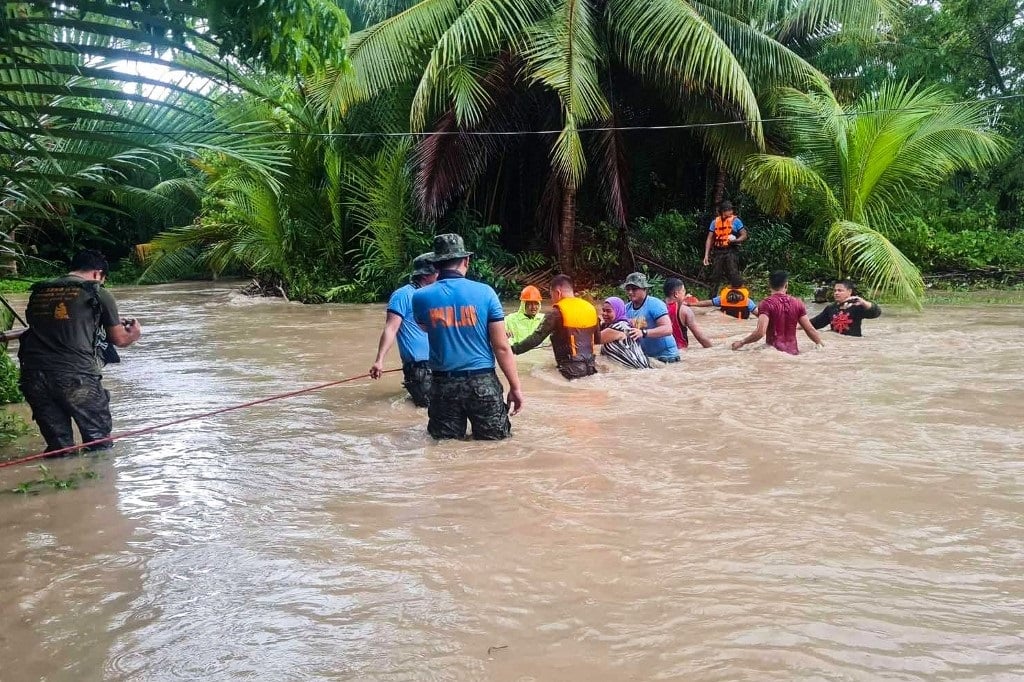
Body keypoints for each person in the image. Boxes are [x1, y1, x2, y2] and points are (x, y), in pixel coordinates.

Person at [17, 249, 142, 455]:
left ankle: (62, 481)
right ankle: (98, 484)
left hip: (33, 376)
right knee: (99, 445)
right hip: (76, 376)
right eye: (103, 279)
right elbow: (119, 339)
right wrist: (135, 333)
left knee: (59, 449)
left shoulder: (40, 291)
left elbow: (57, 324)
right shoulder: (97, 291)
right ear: (97, 274)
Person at [412, 233, 523, 440]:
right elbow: (501, 347)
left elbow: (426, 328)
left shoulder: (419, 297)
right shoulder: (486, 293)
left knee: (445, 448)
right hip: (483, 383)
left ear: (436, 265)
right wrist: (515, 387)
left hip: (443, 385)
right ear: (466, 260)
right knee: (495, 446)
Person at [369, 252, 438, 407]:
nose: (441, 275)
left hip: (438, 364)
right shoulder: (403, 295)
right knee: (428, 409)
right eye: (437, 272)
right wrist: (379, 361)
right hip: (419, 368)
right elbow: (391, 329)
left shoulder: (435, 295)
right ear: (426, 276)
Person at [511, 275, 599, 380]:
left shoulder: (556, 313)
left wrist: (512, 349)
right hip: (591, 368)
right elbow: (598, 339)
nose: (552, 300)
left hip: (569, 371)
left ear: (558, 292)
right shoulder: (591, 309)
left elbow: (535, 339)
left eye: (551, 295)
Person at [732, 270, 823, 355]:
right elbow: (810, 329)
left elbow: (760, 332)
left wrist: (742, 342)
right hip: (794, 353)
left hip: (773, 353)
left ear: (769, 285)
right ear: (786, 285)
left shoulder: (766, 304)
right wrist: (821, 344)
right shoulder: (798, 303)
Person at [621, 272, 679, 363]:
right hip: (648, 358)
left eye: (634, 289)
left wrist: (643, 333)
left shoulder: (655, 304)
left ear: (645, 289)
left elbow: (668, 329)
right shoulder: (626, 309)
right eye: (628, 289)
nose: (630, 292)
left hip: (667, 356)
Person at [702, 201, 748, 293]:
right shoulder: (715, 222)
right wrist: (706, 255)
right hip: (718, 251)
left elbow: (744, 235)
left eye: (731, 209)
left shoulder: (736, 221)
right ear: (723, 211)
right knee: (715, 274)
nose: (731, 212)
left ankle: (738, 295)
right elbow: (709, 239)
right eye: (729, 210)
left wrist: (736, 240)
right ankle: (712, 297)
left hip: (731, 249)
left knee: (733, 272)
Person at [810, 279, 881, 336]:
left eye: (840, 290)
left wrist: (864, 302)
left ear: (849, 291)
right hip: (836, 344)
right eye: (835, 290)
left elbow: (876, 313)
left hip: (853, 343)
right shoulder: (831, 308)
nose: (836, 293)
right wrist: (800, 325)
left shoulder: (857, 306)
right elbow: (815, 323)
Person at [598, 297, 650, 369]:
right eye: (603, 310)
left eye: (608, 311)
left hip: (634, 371)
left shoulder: (619, 327)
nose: (604, 314)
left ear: (618, 311)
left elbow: (594, 340)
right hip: (637, 370)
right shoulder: (625, 323)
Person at [663, 278, 713, 349]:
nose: (685, 293)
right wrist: (713, 349)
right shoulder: (684, 310)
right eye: (683, 291)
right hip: (680, 352)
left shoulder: (657, 307)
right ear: (676, 294)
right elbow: (700, 337)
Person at [692, 274, 759, 319]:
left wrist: (691, 304)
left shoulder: (722, 298)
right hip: (741, 322)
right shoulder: (748, 301)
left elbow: (707, 303)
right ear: (742, 286)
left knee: (716, 311)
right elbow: (758, 314)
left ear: (730, 286)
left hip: (724, 320)